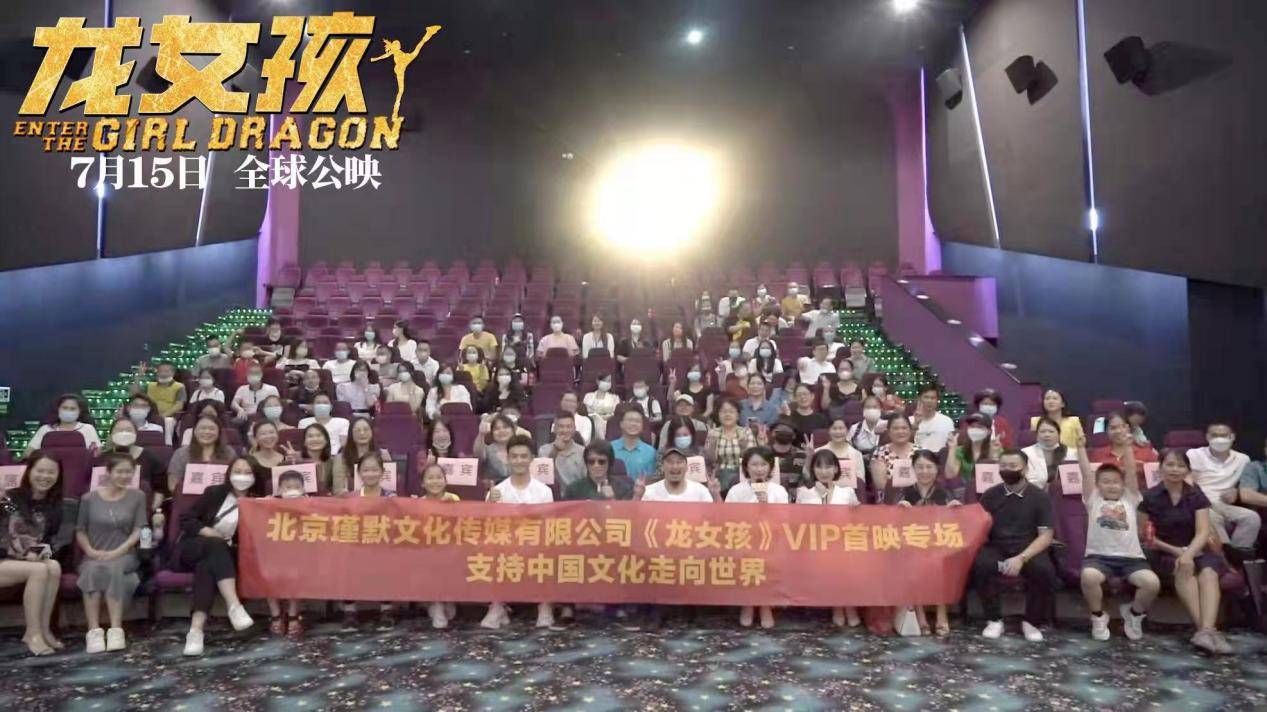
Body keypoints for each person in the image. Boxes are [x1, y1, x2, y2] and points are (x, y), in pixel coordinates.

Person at [1137, 449, 1231, 654]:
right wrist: (1179, 553)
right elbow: (1145, 535)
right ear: (1160, 468)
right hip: (1164, 551)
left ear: (1187, 470)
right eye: (1170, 464)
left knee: (1208, 573)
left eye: (1181, 466)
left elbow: (1203, 531)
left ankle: (1205, 632)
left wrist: (1188, 553)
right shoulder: (1149, 497)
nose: (1175, 470)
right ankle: (1207, 631)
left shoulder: (1196, 495)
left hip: (1197, 547)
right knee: (1184, 568)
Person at [1069, 436, 1160, 642]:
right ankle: (1098, 616)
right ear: (1098, 485)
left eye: (1116, 482)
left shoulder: (1130, 498)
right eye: (1106, 482)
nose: (1111, 486)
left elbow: (1131, 472)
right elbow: (1086, 473)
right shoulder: (1093, 499)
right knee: (1089, 577)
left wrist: (1127, 447)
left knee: (1152, 583)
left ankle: (1134, 614)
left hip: (1132, 559)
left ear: (1122, 485)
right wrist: (1081, 448)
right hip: (1099, 558)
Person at [178, 456, 262, 656]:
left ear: (255, 476)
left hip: (225, 556)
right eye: (237, 471)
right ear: (229, 474)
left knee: (206, 568)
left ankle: (195, 631)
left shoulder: (258, 501)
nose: (242, 476)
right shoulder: (215, 493)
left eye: (247, 472)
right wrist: (206, 531)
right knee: (214, 544)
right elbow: (187, 519)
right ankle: (234, 605)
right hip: (194, 546)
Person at [972, 449, 1057, 642]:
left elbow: (1046, 536)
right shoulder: (990, 495)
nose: (1007, 470)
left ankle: (1031, 622)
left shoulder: (1040, 497)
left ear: (1025, 469)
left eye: (1013, 466)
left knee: (1044, 571)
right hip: (997, 546)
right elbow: (979, 528)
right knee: (981, 565)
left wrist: (1021, 558)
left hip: (1028, 547)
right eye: (1003, 466)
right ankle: (994, 619)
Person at [483, 435, 556, 629]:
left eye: (524, 456)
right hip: (506, 544)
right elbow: (489, 526)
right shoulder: (497, 491)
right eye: (514, 456)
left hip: (535, 544)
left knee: (549, 551)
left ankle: (544, 605)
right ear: (507, 458)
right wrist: (490, 504)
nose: (519, 461)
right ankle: (497, 605)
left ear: (532, 458)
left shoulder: (544, 491)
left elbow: (548, 526)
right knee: (490, 550)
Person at [76, 453, 147, 653]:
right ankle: (94, 631)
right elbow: (80, 530)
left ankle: (116, 629)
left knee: (113, 566)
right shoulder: (88, 499)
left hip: (125, 554)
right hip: (94, 553)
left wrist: (118, 551)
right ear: (108, 473)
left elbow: (139, 529)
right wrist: (90, 550)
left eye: (129, 472)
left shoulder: (138, 496)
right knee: (91, 569)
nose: (124, 476)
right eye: (119, 471)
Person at [0, 452, 65, 655]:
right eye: (40, 471)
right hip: (3, 559)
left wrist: (40, 551)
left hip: (26, 561)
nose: (45, 476)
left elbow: (58, 540)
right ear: (29, 472)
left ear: (58, 475)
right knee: (38, 570)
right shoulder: (10, 499)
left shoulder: (57, 506)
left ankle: (44, 630)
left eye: (51, 472)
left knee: (53, 566)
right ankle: (32, 633)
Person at [895, 450, 962, 635]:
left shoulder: (946, 493)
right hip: (911, 544)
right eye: (920, 467)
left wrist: (955, 511)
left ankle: (941, 613)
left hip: (939, 544)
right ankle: (920, 614)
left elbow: (958, 525)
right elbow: (892, 524)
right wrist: (900, 511)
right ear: (913, 469)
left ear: (937, 469)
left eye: (929, 467)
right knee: (912, 561)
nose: (924, 471)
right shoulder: (904, 492)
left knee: (940, 562)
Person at [795, 449, 860, 626]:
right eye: (819, 467)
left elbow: (857, 523)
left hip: (843, 544)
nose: (824, 472)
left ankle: (848, 606)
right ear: (813, 470)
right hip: (815, 545)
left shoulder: (847, 492)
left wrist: (856, 510)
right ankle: (839, 607)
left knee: (844, 562)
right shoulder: (804, 493)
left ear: (836, 469)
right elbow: (798, 522)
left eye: (828, 467)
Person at [725, 447, 788, 628]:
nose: (759, 469)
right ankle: (748, 604)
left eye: (763, 464)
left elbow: (784, 521)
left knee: (767, 558)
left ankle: (765, 605)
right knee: (748, 559)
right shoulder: (736, 490)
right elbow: (728, 518)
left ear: (770, 467)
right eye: (754, 464)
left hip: (772, 540)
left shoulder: (778, 491)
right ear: (746, 467)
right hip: (744, 539)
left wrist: (766, 504)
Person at [341, 452, 398, 631]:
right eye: (366, 470)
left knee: (388, 562)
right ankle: (350, 612)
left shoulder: (391, 497)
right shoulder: (350, 497)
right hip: (357, 545)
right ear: (359, 473)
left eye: (375, 470)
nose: (370, 474)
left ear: (382, 472)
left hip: (382, 545)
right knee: (345, 560)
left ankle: (386, 611)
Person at [1187, 422, 1258, 560]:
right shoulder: (1195, 454)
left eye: (1224, 435)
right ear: (1207, 437)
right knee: (1212, 518)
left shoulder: (1243, 459)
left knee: (1251, 518)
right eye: (1215, 435)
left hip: (1225, 503)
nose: (1219, 439)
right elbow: (1189, 483)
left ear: (1232, 437)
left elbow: (1244, 484)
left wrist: (1236, 492)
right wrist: (1202, 501)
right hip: (1202, 502)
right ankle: (1222, 556)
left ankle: (1237, 555)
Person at [266, 470, 307, 638]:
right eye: (287, 487)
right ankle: (275, 614)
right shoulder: (270, 503)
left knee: (295, 573)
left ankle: (293, 614)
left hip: (300, 555)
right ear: (279, 490)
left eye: (296, 487)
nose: (292, 491)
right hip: (273, 554)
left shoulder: (311, 504)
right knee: (266, 573)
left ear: (303, 490)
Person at [167, 416, 236, 494]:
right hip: (189, 497)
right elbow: (172, 485)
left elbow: (235, 479)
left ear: (219, 432)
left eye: (212, 429)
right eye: (202, 428)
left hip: (222, 498)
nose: (207, 432)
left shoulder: (229, 452)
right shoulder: (181, 453)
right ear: (195, 431)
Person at [1089, 412, 1159, 486]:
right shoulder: (1097, 455)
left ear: (1128, 429)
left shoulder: (1146, 452)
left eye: (1123, 427)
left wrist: (1143, 467)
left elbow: (1158, 476)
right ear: (1107, 431)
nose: (1118, 431)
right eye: (1113, 428)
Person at [945, 412, 1002, 497]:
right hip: (966, 492)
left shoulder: (996, 449)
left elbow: (997, 479)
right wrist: (952, 449)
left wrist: (994, 455)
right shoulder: (960, 450)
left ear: (989, 431)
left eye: (979, 427)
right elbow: (950, 475)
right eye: (972, 426)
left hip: (990, 492)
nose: (975, 430)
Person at [24, 394, 101, 456]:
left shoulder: (88, 428)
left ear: (80, 411)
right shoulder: (45, 429)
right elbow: (28, 454)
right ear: (58, 409)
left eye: (72, 409)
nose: (68, 411)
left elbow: (96, 454)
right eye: (65, 408)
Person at [638, 447, 721, 503]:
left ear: (686, 467)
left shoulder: (700, 491)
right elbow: (635, 516)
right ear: (662, 467)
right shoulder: (649, 492)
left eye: (679, 462)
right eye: (670, 462)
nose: (675, 466)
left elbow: (719, 516)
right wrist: (637, 496)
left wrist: (716, 495)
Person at [705, 399, 756, 490]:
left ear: (738, 415)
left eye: (731, 411)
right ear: (718, 415)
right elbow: (711, 461)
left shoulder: (746, 432)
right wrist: (713, 444)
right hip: (720, 474)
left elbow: (752, 460)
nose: (727, 414)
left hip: (742, 474)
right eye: (723, 411)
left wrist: (743, 448)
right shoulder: (713, 433)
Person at [331, 418, 388, 495]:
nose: (362, 433)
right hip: (351, 499)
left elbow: (389, 482)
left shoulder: (383, 454)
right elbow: (338, 490)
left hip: (379, 498)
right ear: (351, 434)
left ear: (372, 432)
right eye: (357, 430)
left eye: (366, 429)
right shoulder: (341, 458)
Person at [565, 441, 634, 500]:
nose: (596, 465)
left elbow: (626, 511)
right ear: (586, 464)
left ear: (609, 462)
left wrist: (612, 499)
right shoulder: (573, 489)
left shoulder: (623, 488)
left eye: (601, 461)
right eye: (591, 462)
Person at [807, 417, 866, 486]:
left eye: (841, 428)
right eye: (834, 429)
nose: (838, 432)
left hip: (848, 491)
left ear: (847, 431)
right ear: (829, 431)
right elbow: (808, 477)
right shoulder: (818, 452)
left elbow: (861, 481)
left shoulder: (856, 454)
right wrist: (809, 458)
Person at [1021, 417, 1075, 488]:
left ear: (1058, 434)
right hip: (1035, 492)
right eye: (1042, 432)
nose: (1047, 435)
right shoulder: (1026, 453)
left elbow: (1073, 481)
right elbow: (1026, 480)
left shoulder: (1070, 452)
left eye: (1051, 431)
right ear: (1036, 435)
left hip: (1063, 492)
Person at [870, 413, 916, 498]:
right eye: (895, 428)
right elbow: (880, 484)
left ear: (910, 430)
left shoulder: (920, 452)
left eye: (904, 428)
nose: (900, 432)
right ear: (888, 432)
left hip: (916, 500)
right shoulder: (879, 452)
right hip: (889, 500)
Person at [539, 412, 586, 491]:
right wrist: (555, 450)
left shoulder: (583, 452)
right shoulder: (543, 450)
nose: (565, 430)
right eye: (561, 427)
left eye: (569, 427)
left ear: (574, 428)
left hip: (576, 495)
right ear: (554, 429)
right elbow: (542, 477)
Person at [284, 424, 335, 494]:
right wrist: (291, 463)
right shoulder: (295, 459)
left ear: (326, 441)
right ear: (304, 442)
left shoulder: (333, 462)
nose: (315, 439)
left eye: (319, 435)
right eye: (310, 436)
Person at [611, 408, 657, 480]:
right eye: (629, 420)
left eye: (637, 421)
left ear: (642, 426)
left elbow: (651, 479)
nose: (633, 424)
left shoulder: (650, 452)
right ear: (621, 424)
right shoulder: (610, 448)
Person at [911, 385, 955, 452]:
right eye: (926, 397)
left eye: (933, 398)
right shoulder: (909, 421)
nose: (929, 401)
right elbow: (906, 444)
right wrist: (915, 425)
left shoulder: (947, 421)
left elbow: (952, 446)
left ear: (937, 400)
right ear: (919, 399)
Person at [474, 414, 517, 483]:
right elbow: (477, 454)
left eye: (505, 427)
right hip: (492, 488)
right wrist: (481, 434)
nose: (501, 431)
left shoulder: (522, 449)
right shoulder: (487, 450)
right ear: (492, 433)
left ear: (513, 430)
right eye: (497, 429)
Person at [768, 420, 806, 490]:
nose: (784, 432)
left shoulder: (802, 455)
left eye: (787, 431)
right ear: (772, 433)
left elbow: (807, 482)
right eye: (781, 430)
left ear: (794, 436)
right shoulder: (764, 454)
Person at [846, 396, 887, 461]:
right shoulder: (855, 428)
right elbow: (848, 448)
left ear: (881, 408)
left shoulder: (887, 426)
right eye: (868, 407)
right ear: (863, 409)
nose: (871, 410)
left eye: (875, 407)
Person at [584, 375, 621, 440]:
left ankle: (602, 441)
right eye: (605, 381)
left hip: (606, 424)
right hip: (589, 422)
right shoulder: (588, 396)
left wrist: (598, 415)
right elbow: (584, 411)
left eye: (609, 381)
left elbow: (615, 414)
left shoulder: (615, 398)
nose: (607, 383)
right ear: (598, 381)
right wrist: (604, 411)